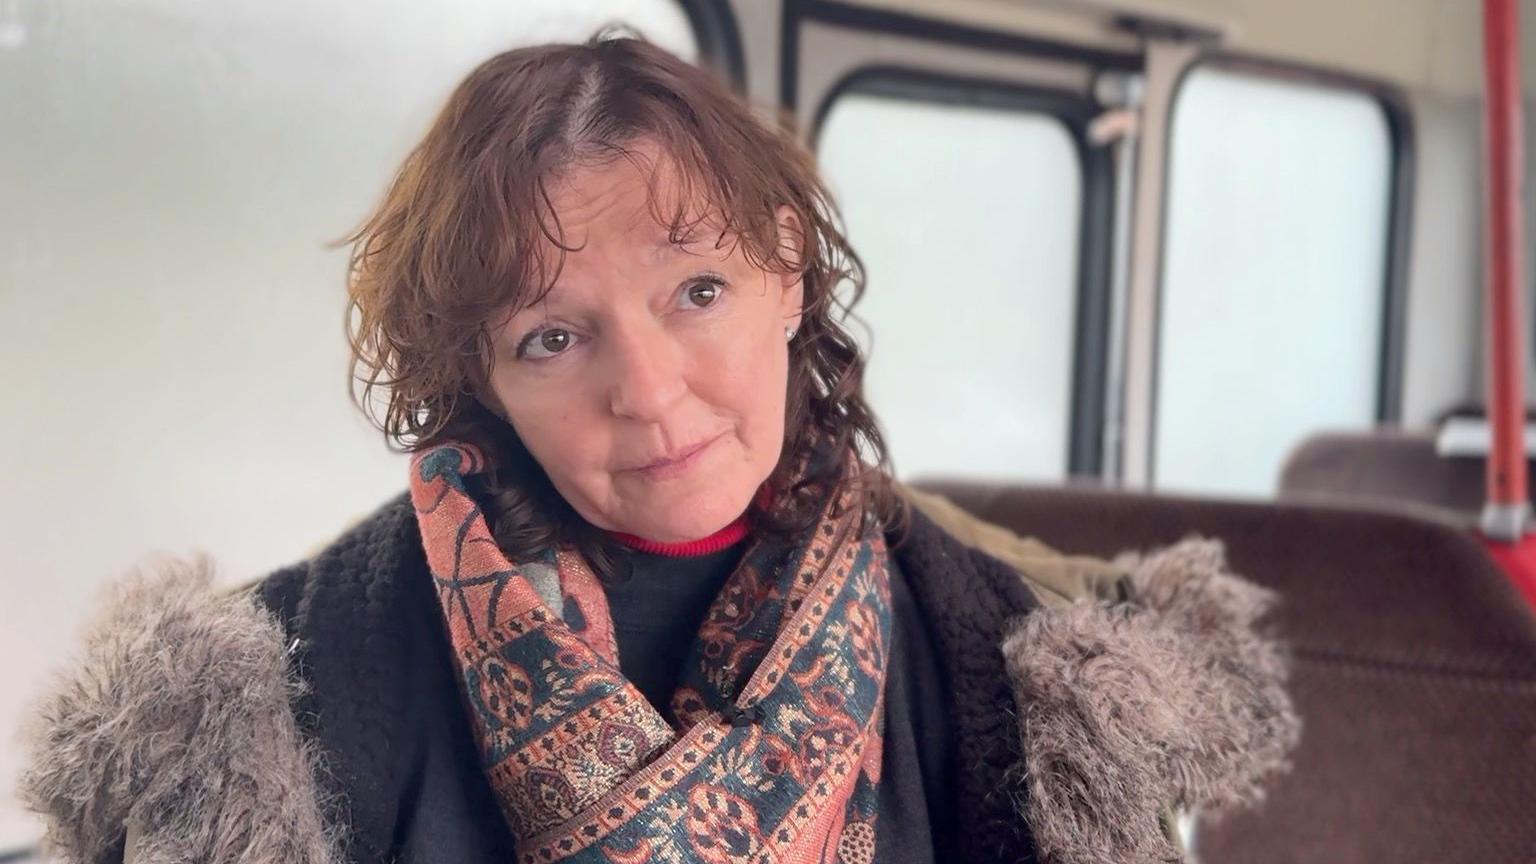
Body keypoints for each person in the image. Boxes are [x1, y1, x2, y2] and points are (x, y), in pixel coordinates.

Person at [18, 34, 1298, 864]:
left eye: (697, 293)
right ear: (483, 380)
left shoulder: (999, 641)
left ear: (787, 271)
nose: (647, 389)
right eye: (553, 338)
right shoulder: (281, 698)